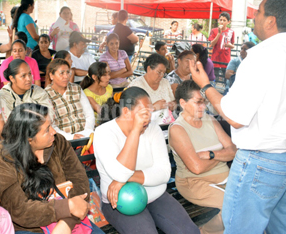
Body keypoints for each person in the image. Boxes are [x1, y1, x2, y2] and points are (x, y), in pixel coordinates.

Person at [189, 0, 286, 234]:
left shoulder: (261, 56)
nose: (253, 16)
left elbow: (234, 116)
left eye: (258, 11)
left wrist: (206, 86)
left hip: (263, 162)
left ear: (271, 21)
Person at [94, 87, 199, 234]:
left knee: (189, 231)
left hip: (156, 195)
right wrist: (135, 131)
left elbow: (164, 173)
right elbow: (118, 172)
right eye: (143, 114)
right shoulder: (104, 133)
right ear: (126, 112)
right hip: (122, 203)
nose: (148, 118)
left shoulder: (153, 128)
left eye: (150, 112)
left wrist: (123, 180)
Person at [0, 103, 104, 233]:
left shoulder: (58, 142)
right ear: (28, 139)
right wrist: (66, 207)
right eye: (47, 129)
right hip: (30, 229)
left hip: (73, 219)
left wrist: (67, 222)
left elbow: (80, 184)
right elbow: (18, 209)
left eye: (51, 125)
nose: (54, 132)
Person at [168, 80, 236, 234]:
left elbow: (234, 150)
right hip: (195, 183)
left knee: (250, 205)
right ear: (183, 103)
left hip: (225, 178)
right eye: (198, 102)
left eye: (204, 102)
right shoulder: (178, 129)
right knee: (234, 207)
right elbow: (196, 168)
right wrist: (221, 156)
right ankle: (203, 232)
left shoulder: (209, 120)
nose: (203, 106)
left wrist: (210, 155)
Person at [46, 59, 95, 140]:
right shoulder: (46, 95)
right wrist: (71, 137)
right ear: (51, 75)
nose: (66, 76)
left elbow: (89, 114)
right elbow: (51, 125)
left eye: (68, 72)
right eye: (61, 73)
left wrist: (87, 132)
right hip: (63, 140)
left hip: (86, 135)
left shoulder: (76, 88)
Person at [80, 62, 112, 126]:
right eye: (104, 75)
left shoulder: (109, 88)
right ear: (94, 77)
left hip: (108, 121)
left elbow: (112, 106)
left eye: (108, 74)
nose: (108, 77)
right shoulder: (87, 93)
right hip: (95, 125)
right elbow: (101, 112)